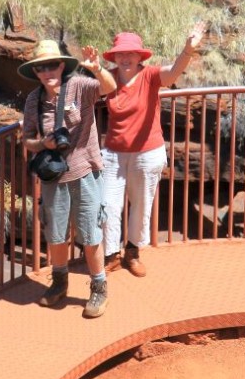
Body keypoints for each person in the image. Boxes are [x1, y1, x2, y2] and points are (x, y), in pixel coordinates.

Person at [20, 39, 116, 318]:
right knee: (56, 233)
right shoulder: (33, 100)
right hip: (53, 177)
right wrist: (43, 145)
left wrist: (98, 69)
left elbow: (110, 88)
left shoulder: (79, 85)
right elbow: (27, 139)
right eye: (41, 67)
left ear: (62, 65)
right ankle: (60, 281)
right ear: (35, 72)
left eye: (52, 65)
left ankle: (99, 287)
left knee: (90, 232)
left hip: (85, 172)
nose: (47, 71)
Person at [100, 23, 206, 276]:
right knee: (107, 205)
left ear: (140, 57)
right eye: (121, 54)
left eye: (131, 54)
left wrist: (187, 50)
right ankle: (111, 254)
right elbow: (89, 92)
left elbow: (173, 74)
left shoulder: (149, 76)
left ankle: (132, 252)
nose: (125, 58)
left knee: (141, 204)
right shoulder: (110, 78)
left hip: (147, 153)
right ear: (114, 57)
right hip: (114, 154)